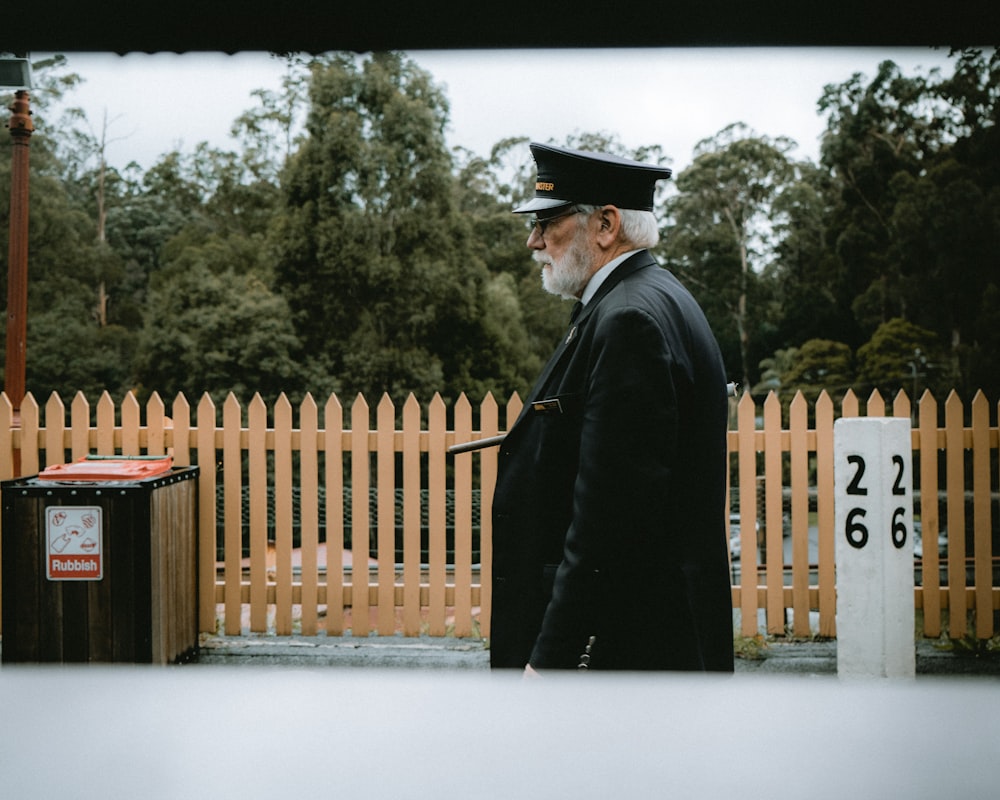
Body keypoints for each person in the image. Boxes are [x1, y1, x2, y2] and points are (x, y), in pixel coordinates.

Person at [489, 142, 734, 673]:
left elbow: (609, 521)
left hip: (624, 655)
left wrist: (549, 660)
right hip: (644, 646)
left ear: (605, 224)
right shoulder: (648, 297)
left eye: (547, 222)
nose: (534, 241)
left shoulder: (629, 321)